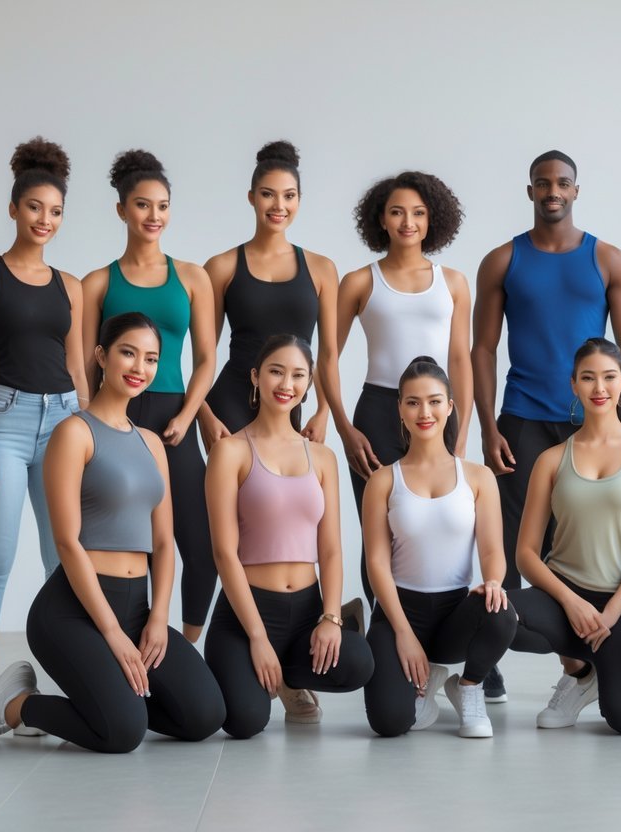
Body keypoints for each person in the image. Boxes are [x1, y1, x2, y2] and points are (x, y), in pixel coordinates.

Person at [0, 313, 225, 752]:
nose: (140, 367)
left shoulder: (152, 443)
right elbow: (67, 542)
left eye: (151, 358)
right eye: (128, 352)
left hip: (137, 608)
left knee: (204, 715)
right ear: (101, 355)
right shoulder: (74, 433)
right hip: (72, 612)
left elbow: (162, 542)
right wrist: (112, 633)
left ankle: (104, 700)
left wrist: (158, 618)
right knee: (123, 733)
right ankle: (16, 705)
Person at [472, 149, 621, 702]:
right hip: (521, 417)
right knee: (506, 540)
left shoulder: (609, 260)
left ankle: (591, 649)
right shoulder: (503, 260)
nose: (553, 191)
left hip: (591, 422)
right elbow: (482, 348)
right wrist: (486, 425)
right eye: (543, 183)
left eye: (563, 183)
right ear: (530, 191)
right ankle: (490, 655)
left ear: (576, 191)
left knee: (580, 541)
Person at [0, 138, 88, 728]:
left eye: (55, 211)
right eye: (35, 208)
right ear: (14, 209)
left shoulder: (72, 285)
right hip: (4, 423)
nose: (45, 220)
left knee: (64, 556)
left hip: (64, 421)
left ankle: (68, 679)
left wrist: (91, 434)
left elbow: (81, 369)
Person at [204, 335, 374, 739]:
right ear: (255, 377)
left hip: (305, 610)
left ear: (309, 383)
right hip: (247, 613)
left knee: (358, 663)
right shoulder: (229, 452)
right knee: (245, 721)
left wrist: (331, 617)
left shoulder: (323, 457)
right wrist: (258, 637)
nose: (286, 384)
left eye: (298, 375)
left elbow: (330, 550)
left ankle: (290, 677)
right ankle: (262, 667)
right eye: (276, 371)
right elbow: (224, 553)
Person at [82, 149, 217, 644]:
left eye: (162, 206)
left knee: (197, 545)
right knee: (127, 540)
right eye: (142, 205)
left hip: (171, 415)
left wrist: (187, 414)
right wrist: (91, 426)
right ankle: (120, 642)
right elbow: (84, 364)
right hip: (115, 420)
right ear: (122, 210)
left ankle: (182, 646)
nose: (153, 216)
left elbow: (206, 359)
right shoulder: (99, 282)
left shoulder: (192, 277)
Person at [320, 171, 472, 604]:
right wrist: (343, 427)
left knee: (444, 522)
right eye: (398, 212)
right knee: (380, 529)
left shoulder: (454, 282)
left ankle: (441, 642)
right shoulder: (360, 281)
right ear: (381, 219)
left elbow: (459, 359)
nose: (409, 221)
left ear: (432, 220)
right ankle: (388, 635)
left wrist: (460, 434)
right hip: (379, 410)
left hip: (439, 411)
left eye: (419, 213)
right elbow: (327, 357)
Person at [508, 338, 621, 734]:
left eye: (608, 377)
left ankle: (596, 669)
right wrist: (570, 601)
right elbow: (526, 553)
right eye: (588, 378)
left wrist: (611, 613)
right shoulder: (552, 459)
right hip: (561, 595)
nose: (599, 388)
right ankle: (578, 674)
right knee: (497, 617)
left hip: (620, 602)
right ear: (573, 385)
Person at [361, 358, 516, 739]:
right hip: (399, 612)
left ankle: (469, 687)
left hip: (453, 616)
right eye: (413, 402)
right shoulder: (383, 480)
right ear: (399, 408)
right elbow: (376, 564)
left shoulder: (477, 477)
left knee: (502, 611)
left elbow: (493, 550)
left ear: (450, 405)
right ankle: (422, 679)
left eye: (434, 401)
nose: (424, 412)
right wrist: (402, 631)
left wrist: (494, 581)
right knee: (389, 723)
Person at [199, 140, 338, 449]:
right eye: (267, 195)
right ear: (251, 198)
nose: (279, 206)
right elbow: (202, 354)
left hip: (289, 398)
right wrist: (203, 412)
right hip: (230, 402)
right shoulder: (221, 267)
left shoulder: (322, 269)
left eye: (289, 196)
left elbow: (328, 354)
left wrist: (323, 411)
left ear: (300, 200)